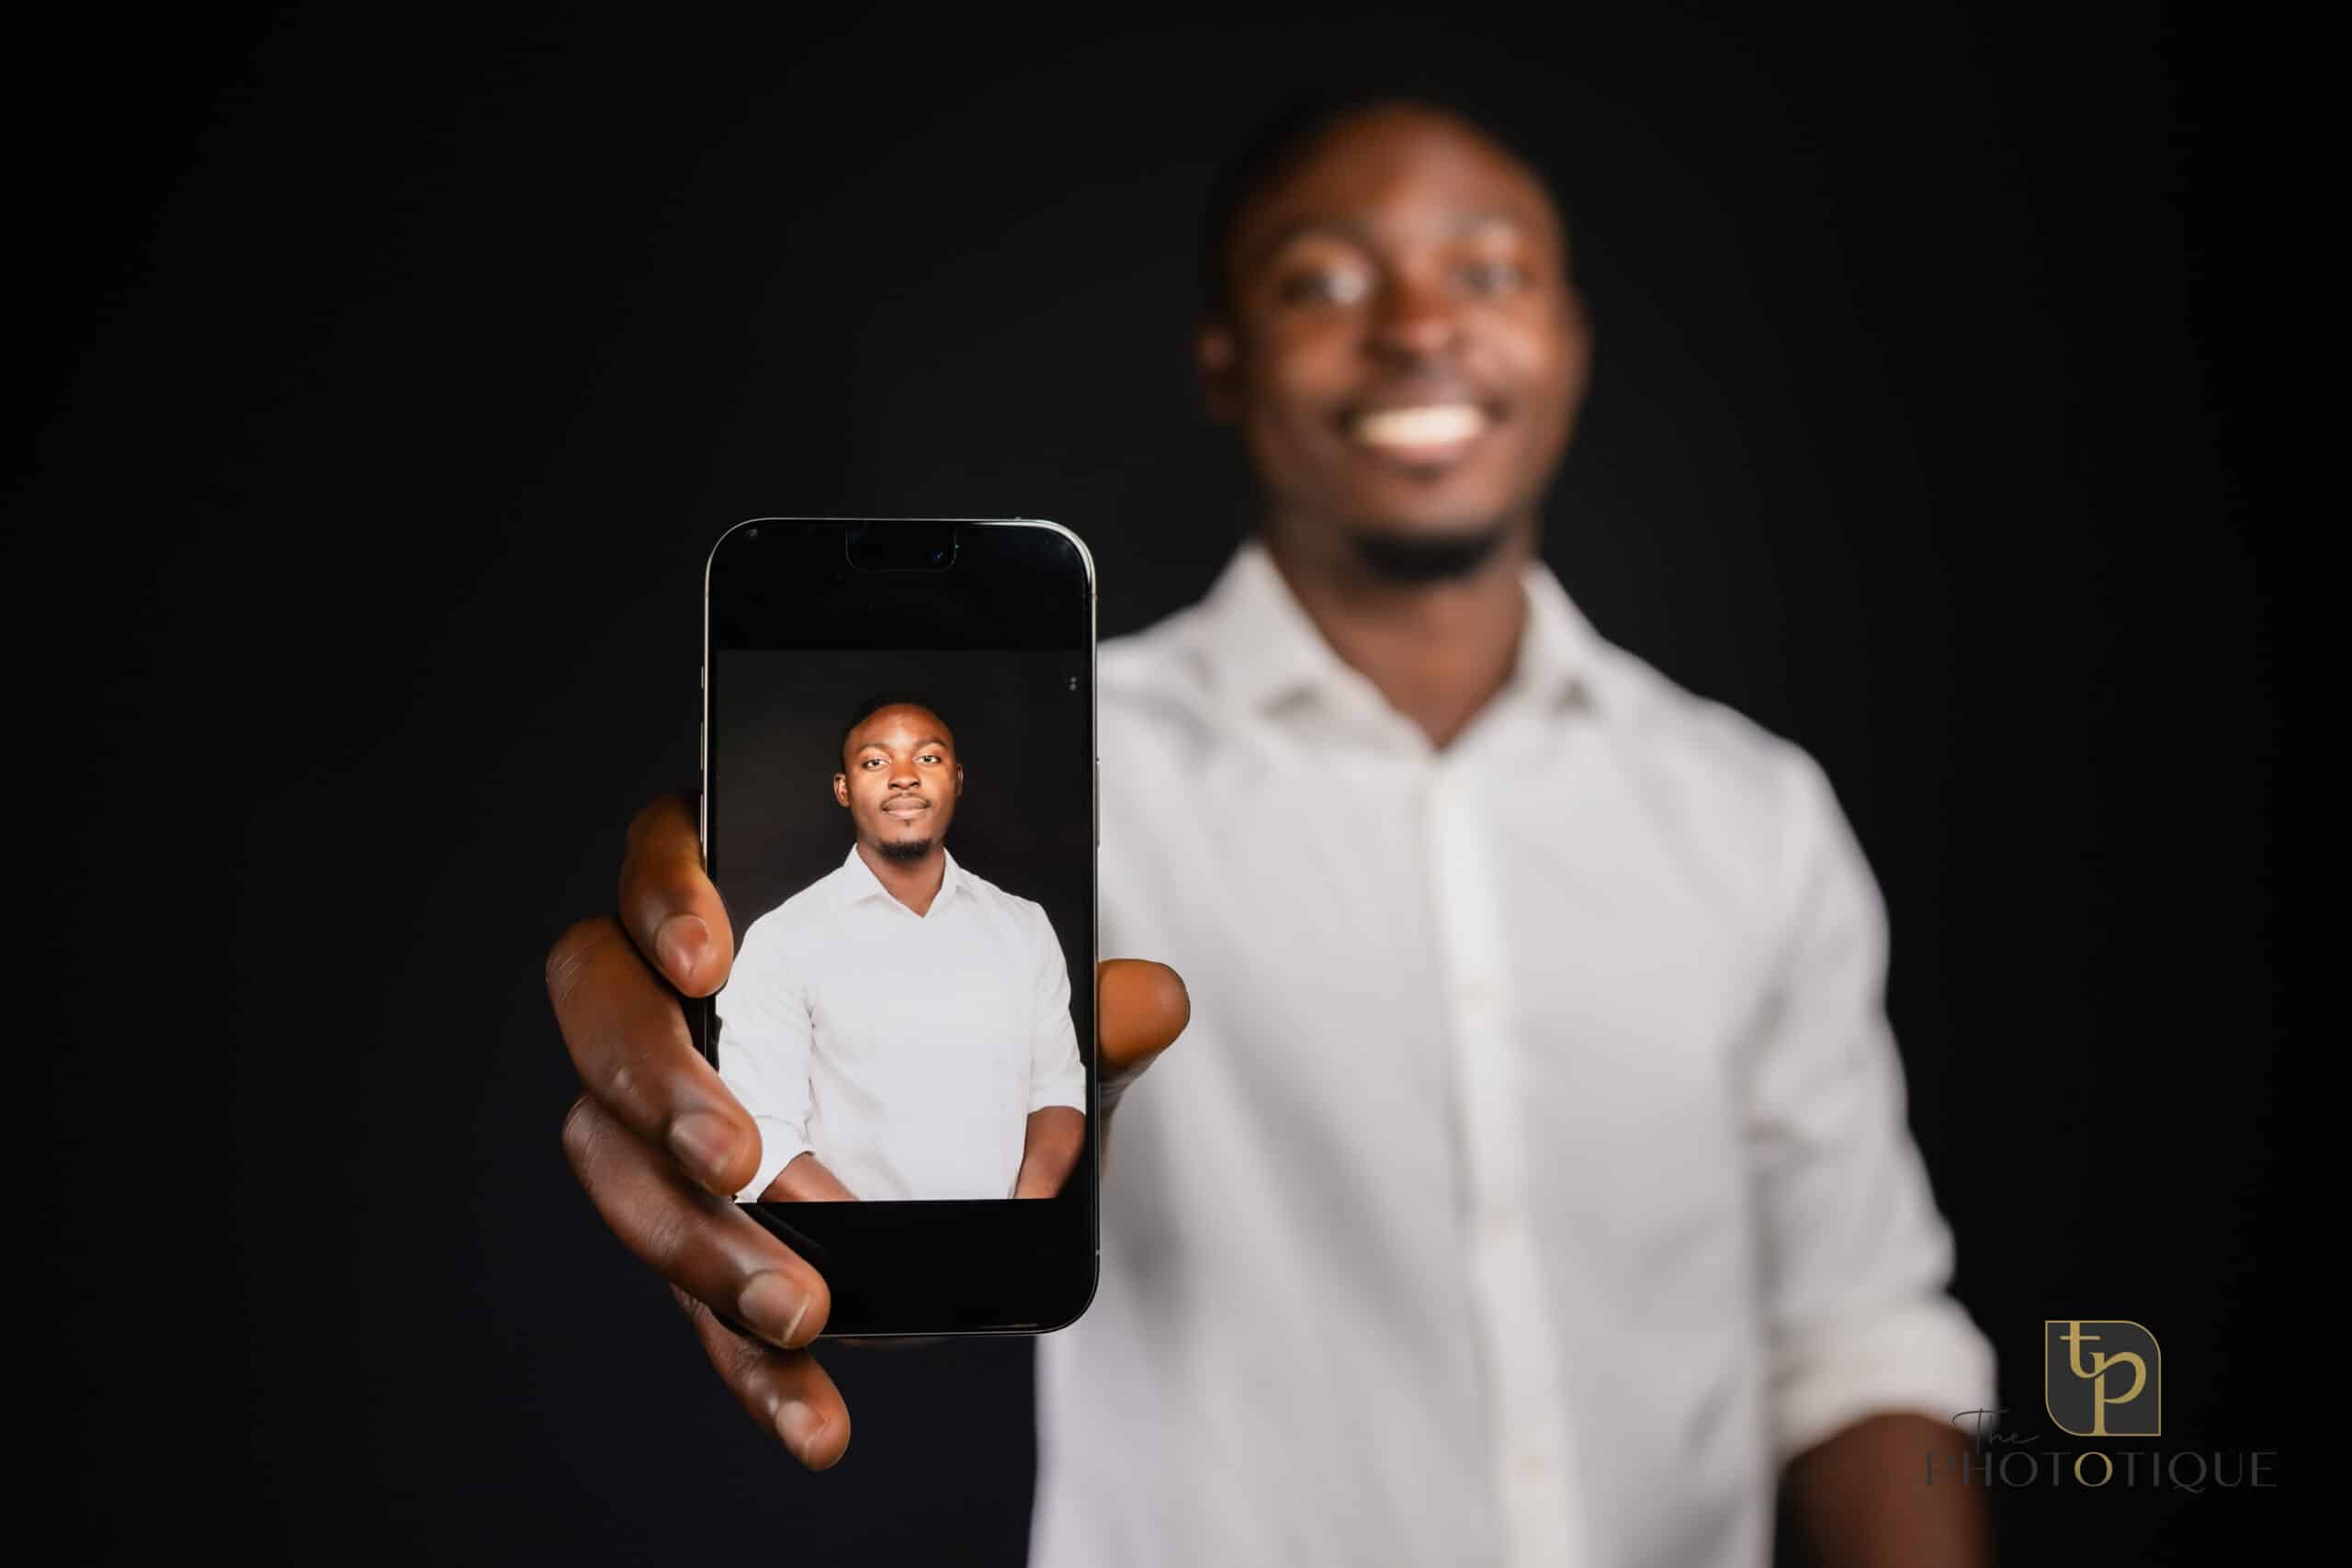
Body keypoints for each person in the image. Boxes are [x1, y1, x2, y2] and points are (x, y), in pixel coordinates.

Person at [547, 93, 1996, 1568]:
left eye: (1487, 270)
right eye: (1328, 281)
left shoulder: (1753, 812)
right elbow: (936, 1158)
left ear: (1569, 339)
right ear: (1223, 361)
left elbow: (1858, 1331)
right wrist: (747, 1136)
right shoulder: (1088, 784)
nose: (1418, 326)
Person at [715, 694, 1088, 1202]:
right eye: (876, 762)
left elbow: (1057, 1091)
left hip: (1005, 1250)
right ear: (843, 789)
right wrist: (882, 1242)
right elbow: (763, 1136)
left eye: (928, 758)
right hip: (843, 1252)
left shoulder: (1025, 927)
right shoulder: (782, 940)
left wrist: (1022, 1218)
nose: (905, 777)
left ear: (957, 780)